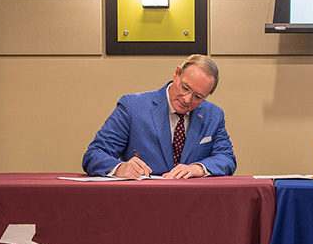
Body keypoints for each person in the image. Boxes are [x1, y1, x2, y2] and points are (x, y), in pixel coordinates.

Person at [82, 54, 236, 178]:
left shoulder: (213, 115)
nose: (187, 99)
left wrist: (199, 168)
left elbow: (226, 158)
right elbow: (94, 155)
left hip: (193, 203)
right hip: (142, 200)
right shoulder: (132, 106)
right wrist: (120, 168)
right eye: (185, 88)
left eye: (198, 96)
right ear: (176, 74)